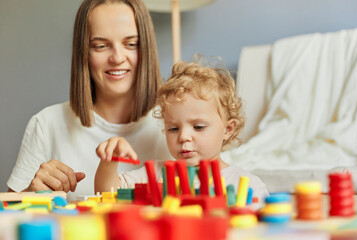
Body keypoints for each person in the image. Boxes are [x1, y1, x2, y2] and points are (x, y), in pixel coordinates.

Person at [7, 0, 172, 201]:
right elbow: (8, 219)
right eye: (101, 46)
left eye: (131, 44)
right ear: (84, 53)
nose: (118, 58)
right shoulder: (46, 124)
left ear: (146, 48)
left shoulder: (176, 125)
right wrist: (30, 195)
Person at [95, 58, 269, 200]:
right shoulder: (155, 175)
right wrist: (110, 160)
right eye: (173, 128)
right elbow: (107, 193)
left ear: (228, 129)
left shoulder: (246, 184)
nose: (184, 136)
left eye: (198, 127)